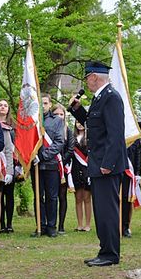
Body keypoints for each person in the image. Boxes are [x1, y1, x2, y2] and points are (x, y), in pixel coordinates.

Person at [69, 61, 127, 267]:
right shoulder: (100, 98)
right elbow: (94, 125)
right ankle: (105, 251)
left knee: (108, 210)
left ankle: (111, 254)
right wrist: (77, 109)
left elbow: (115, 134)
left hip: (106, 165)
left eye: (87, 78)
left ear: (94, 77)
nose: (86, 82)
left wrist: (108, 163)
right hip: (98, 163)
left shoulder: (111, 97)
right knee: (101, 210)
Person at [30, 93, 65, 238]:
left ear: (50, 104)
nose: (43, 106)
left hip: (50, 164)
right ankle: (40, 225)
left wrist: (42, 156)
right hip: (35, 165)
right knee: (38, 197)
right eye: (40, 103)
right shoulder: (31, 121)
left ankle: (51, 226)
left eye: (45, 103)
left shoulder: (56, 121)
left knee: (52, 197)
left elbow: (59, 142)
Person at [53, 103, 74, 235]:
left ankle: (61, 225)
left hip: (64, 168)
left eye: (62, 114)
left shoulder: (68, 130)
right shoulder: (49, 128)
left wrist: (62, 161)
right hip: (51, 165)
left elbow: (71, 148)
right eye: (56, 114)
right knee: (52, 197)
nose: (59, 116)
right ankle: (51, 223)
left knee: (62, 196)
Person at [0, 99, 15, 233]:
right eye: (0, 105)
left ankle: (9, 223)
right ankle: (0, 223)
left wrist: (13, 168)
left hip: (10, 163)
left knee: (9, 195)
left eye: (5, 105)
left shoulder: (13, 126)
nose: (3, 107)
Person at [71, 120, 92, 232]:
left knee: (87, 198)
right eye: (77, 121)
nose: (79, 123)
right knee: (78, 198)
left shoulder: (90, 137)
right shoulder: (73, 137)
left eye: (81, 121)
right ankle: (79, 224)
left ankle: (87, 224)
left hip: (87, 169)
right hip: (75, 169)